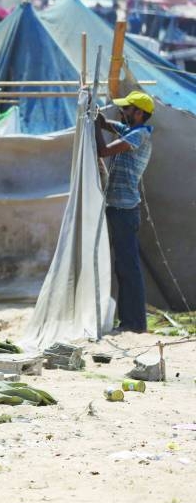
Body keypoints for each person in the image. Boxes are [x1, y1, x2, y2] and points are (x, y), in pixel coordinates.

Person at [95, 90, 155, 333]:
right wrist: (96, 116)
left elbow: (103, 151)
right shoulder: (132, 130)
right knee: (124, 266)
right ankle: (130, 322)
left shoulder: (139, 135)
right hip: (119, 208)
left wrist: (94, 128)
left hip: (124, 209)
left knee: (128, 267)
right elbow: (109, 124)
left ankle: (135, 323)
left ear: (139, 113)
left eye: (127, 109)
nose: (122, 112)